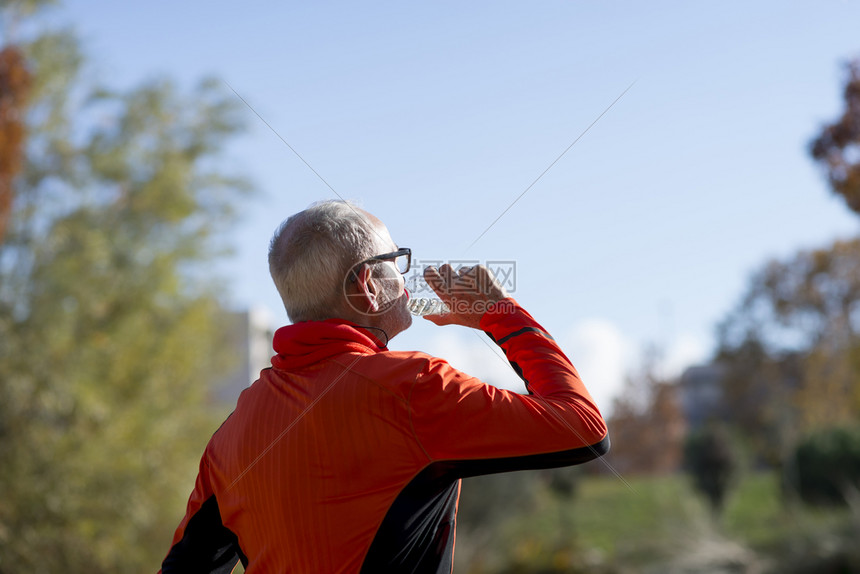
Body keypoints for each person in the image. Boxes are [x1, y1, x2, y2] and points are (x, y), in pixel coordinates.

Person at [159, 200, 610, 573]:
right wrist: (499, 312)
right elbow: (584, 428)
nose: (406, 277)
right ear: (367, 285)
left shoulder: (231, 435)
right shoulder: (413, 387)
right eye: (396, 261)